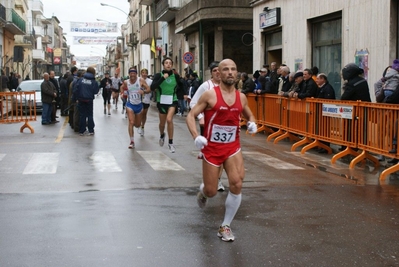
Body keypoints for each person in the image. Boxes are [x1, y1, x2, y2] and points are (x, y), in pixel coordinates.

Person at [186, 59, 257, 242]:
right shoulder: (210, 95)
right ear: (219, 73)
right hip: (212, 148)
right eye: (226, 69)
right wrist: (196, 136)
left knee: (237, 183)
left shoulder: (241, 96)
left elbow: (248, 112)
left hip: (232, 147)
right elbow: (191, 115)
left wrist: (252, 123)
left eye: (233, 69)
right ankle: (203, 191)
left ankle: (225, 226)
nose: (230, 72)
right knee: (212, 191)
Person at [189, 61, 225, 191]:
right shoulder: (206, 86)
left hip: (223, 126)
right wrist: (201, 117)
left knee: (222, 154)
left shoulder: (227, 86)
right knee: (210, 155)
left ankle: (218, 181)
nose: (217, 72)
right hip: (209, 126)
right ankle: (208, 180)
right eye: (215, 70)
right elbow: (193, 103)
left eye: (219, 70)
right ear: (211, 73)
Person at [150, 57, 184, 153]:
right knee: (162, 123)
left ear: (172, 65)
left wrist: (184, 94)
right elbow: (153, 87)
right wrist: (162, 78)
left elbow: (181, 85)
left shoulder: (175, 76)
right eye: (166, 63)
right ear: (163, 65)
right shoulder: (158, 75)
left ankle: (171, 142)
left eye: (170, 63)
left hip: (172, 100)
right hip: (161, 101)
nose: (168, 64)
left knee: (169, 120)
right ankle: (162, 135)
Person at [122, 68, 151, 148]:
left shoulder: (141, 80)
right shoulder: (126, 82)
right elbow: (122, 88)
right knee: (131, 122)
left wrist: (144, 91)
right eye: (131, 73)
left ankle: (139, 127)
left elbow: (149, 89)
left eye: (134, 73)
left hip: (139, 105)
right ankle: (132, 141)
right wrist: (122, 94)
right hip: (130, 104)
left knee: (137, 125)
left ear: (136, 74)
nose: (132, 75)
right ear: (129, 74)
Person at [73, 67, 99, 135]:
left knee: (82, 115)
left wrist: (75, 98)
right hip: (89, 99)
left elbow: (76, 89)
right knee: (90, 115)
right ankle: (91, 130)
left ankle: (82, 130)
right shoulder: (93, 81)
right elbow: (96, 91)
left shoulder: (81, 79)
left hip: (81, 99)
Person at [315, 73, 336, 153]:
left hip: (326, 112)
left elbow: (328, 99)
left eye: (318, 79)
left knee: (325, 129)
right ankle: (321, 145)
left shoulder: (328, 88)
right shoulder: (320, 87)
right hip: (321, 112)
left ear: (323, 79)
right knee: (321, 129)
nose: (316, 80)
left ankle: (325, 146)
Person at [138, 68, 153, 136]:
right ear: (141, 73)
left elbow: (152, 89)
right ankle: (139, 125)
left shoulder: (150, 81)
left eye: (145, 73)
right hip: (139, 100)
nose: (144, 74)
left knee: (144, 114)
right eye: (143, 73)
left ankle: (142, 127)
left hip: (147, 99)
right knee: (141, 113)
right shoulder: (138, 80)